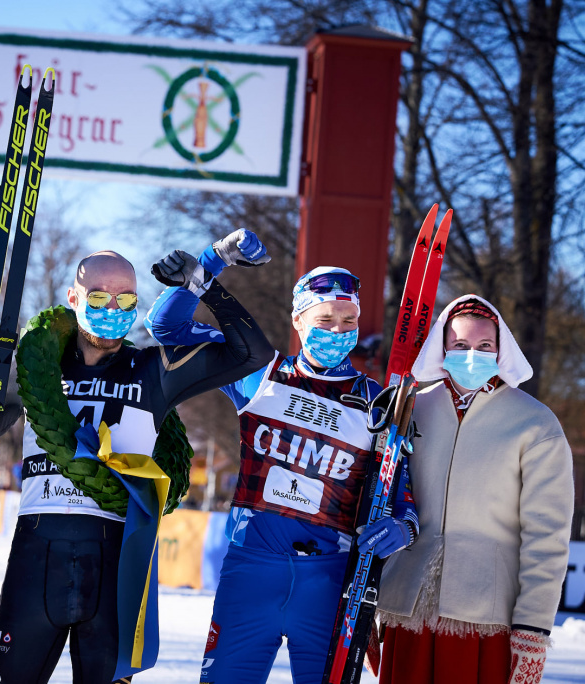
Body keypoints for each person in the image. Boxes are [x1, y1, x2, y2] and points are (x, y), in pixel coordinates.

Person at [0, 240, 275, 683]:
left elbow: (251, 354)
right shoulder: (35, 366)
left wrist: (204, 284)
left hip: (117, 558)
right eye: (99, 296)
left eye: (126, 298)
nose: (113, 306)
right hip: (36, 551)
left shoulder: (154, 368)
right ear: (73, 298)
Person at [146, 235, 418, 684]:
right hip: (252, 569)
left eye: (348, 321)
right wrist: (214, 260)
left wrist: (404, 527)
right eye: (325, 319)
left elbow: (404, 497)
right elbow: (167, 327)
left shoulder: (380, 403)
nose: (337, 331)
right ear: (298, 320)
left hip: (330, 582)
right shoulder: (259, 373)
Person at [376, 295, 574, 684]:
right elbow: (381, 501)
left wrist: (533, 628)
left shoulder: (535, 423)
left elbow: (547, 535)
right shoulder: (409, 410)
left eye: (485, 346)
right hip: (407, 608)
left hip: (485, 619)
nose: (472, 355)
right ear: (443, 347)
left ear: (501, 350)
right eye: (461, 345)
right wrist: (371, 599)